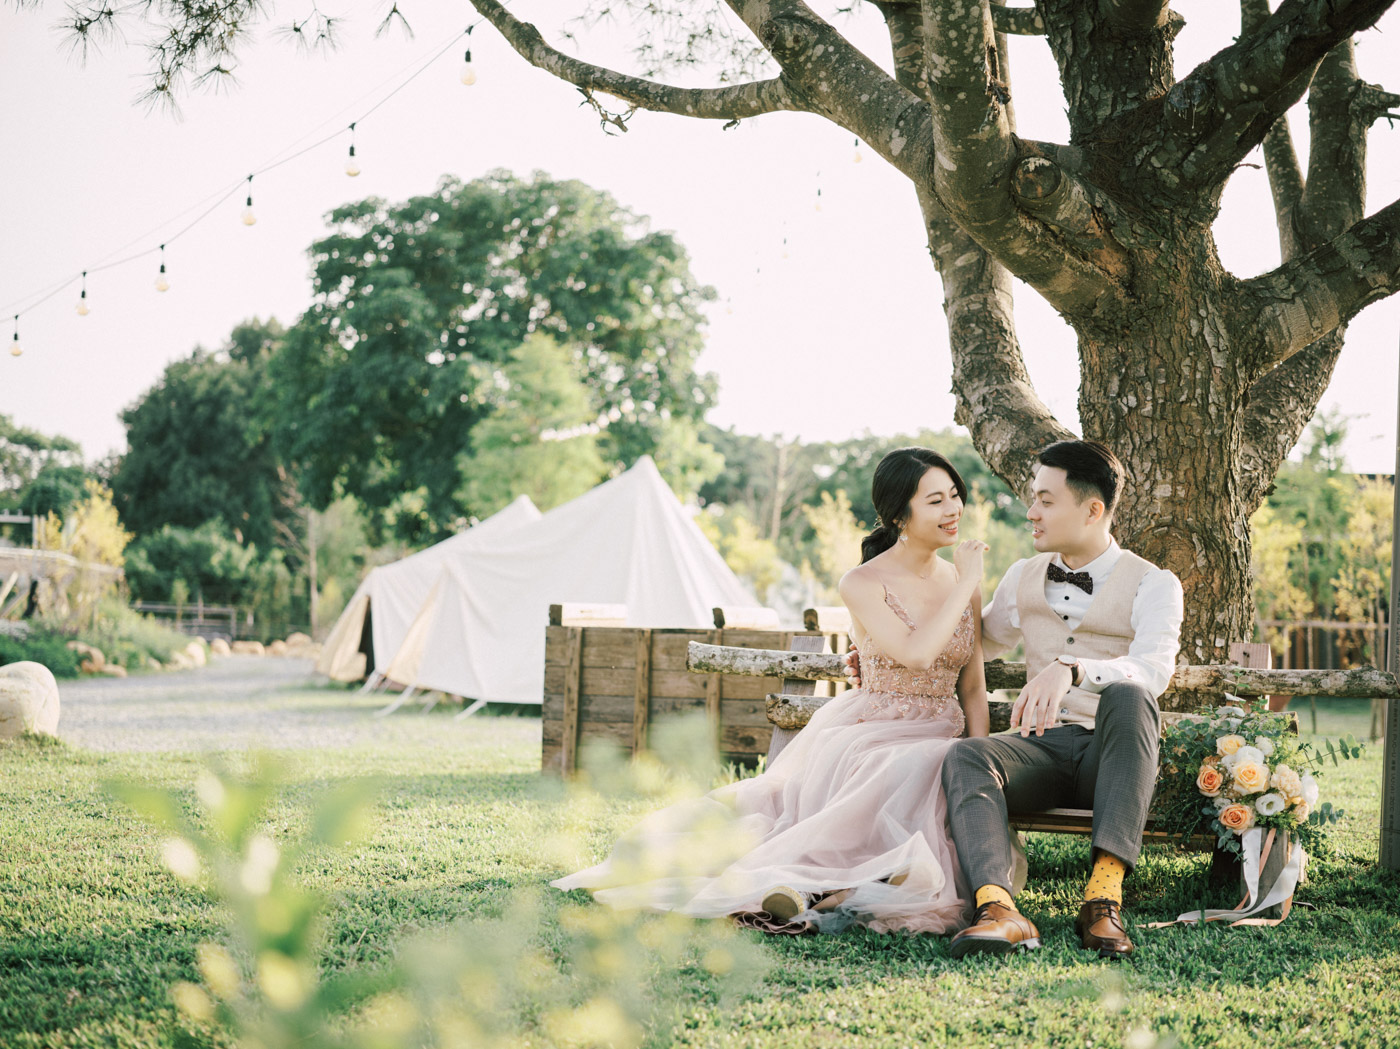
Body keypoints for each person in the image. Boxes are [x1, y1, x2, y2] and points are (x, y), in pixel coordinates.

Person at [552, 447, 1012, 934]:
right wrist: (968, 581)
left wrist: (977, 752)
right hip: (876, 729)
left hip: (943, 732)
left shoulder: (962, 580)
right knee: (905, 769)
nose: (953, 509)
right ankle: (812, 882)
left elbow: (973, 685)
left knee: (937, 765)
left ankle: (826, 892)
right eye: (936, 500)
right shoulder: (863, 582)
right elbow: (915, 655)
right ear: (900, 514)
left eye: (955, 496)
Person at [853, 440, 1183, 958]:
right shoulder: (1021, 577)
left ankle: (1102, 900)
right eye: (1034, 499)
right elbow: (964, 643)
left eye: (1046, 501)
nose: (1031, 512)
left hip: (1112, 753)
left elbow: (1154, 669)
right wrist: (877, 651)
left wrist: (1073, 669)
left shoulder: (1155, 583)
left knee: (1131, 695)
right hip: (1040, 750)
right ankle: (997, 908)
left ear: (1092, 510)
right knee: (967, 753)